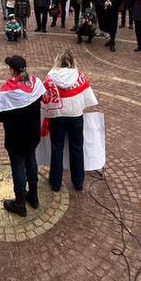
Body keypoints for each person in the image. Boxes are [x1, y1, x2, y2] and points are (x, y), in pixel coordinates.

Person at [0, 55, 45, 217]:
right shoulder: (36, 83)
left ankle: (20, 203)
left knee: (18, 167)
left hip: (16, 139)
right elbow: (42, 98)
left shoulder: (7, 91)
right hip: (33, 135)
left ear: (12, 71)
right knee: (31, 161)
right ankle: (34, 198)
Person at [41, 50, 98, 191]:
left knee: (57, 148)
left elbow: (44, 98)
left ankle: (55, 183)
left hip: (57, 116)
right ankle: (78, 181)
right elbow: (87, 98)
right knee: (77, 148)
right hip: (75, 116)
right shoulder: (79, 76)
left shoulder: (50, 77)